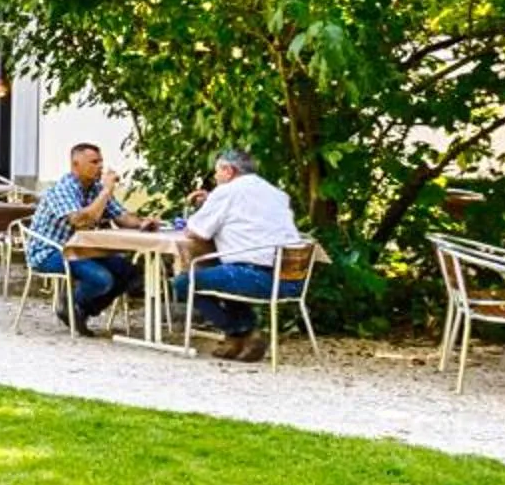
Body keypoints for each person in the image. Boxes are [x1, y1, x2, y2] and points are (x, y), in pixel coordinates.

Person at [167, 150, 309, 362]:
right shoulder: (276, 193)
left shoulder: (227, 192)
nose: (215, 178)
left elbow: (195, 231)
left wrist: (206, 207)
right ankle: (239, 340)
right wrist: (211, 203)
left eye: (217, 172)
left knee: (183, 283)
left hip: (255, 278)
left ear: (229, 170)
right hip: (290, 281)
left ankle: (241, 332)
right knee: (222, 267)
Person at [27, 142, 151, 334]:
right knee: (102, 279)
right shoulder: (64, 188)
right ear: (76, 164)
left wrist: (142, 223)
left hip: (83, 250)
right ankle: (71, 304)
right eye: (94, 162)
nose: (100, 166)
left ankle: (79, 309)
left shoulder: (95, 188)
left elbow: (121, 216)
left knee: (130, 273)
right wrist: (106, 192)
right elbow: (81, 221)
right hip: (51, 251)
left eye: (101, 161)